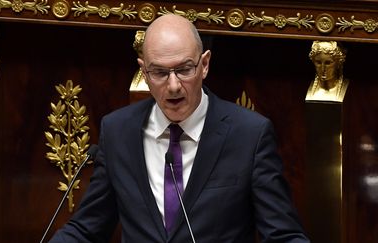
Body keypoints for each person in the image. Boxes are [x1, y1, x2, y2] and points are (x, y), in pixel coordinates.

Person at [49, 14, 309, 242]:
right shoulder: (118, 131)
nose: (173, 86)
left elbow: (283, 235)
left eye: (184, 70)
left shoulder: (250, 135)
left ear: (204, 64)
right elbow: (87, 229)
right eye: (160, 73)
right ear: (144, 72)